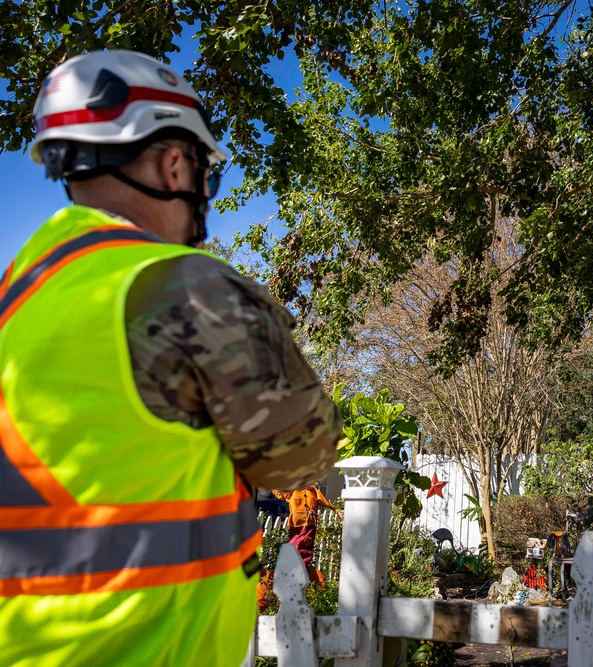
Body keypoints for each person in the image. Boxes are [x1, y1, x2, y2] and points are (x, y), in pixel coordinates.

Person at [0, 51, 342, 667]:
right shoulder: (187, 288)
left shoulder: (15, 297)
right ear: (174, 162)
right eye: (206, 177)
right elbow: (304, 456)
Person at [272, 484, 339, 582]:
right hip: (296, 523)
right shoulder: (292, 490)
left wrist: (335, 510)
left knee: (306, 545)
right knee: (295, 544)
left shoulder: (313, 491)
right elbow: (281, 494)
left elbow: (324, 501)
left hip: (309, 523)